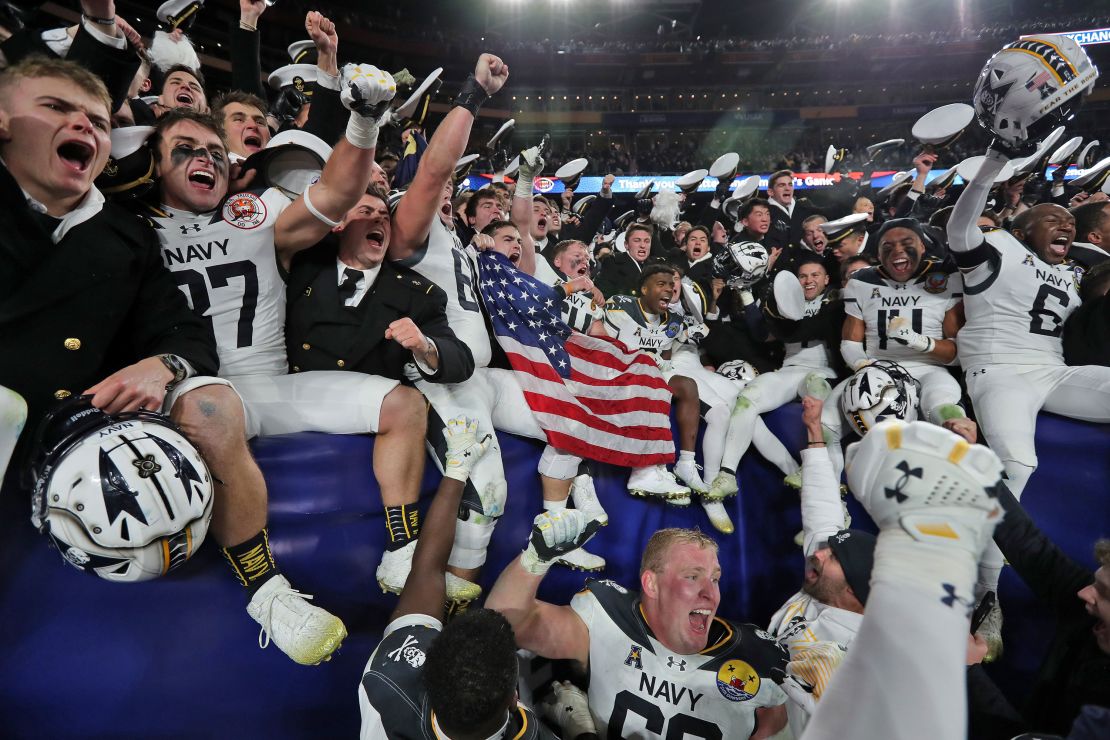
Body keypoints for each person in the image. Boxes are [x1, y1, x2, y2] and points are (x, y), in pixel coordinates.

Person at [0, 57, 352, 666]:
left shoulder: (128, 236)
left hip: (73, 428)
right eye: (57, 108)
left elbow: (183, 331)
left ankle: (265, 589)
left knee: (206, 406)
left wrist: (163, 363)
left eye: (96, 120)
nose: (81, 126)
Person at [947, 146, 1110, 656]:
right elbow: (959, 229)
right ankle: (984, 596)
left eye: (1069, 221)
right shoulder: (997, 249)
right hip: (999, 369)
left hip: (1053, 370)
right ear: (1022, 230)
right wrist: (994, 161)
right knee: (1017, 463)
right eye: (1052, 219)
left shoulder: (1072, 273)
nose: (1065, 226)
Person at [357, 417, 569, 739]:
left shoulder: (388, 679)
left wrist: (455, 471)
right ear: (515, 699)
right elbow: (427, 572)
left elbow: (426, 571)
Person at [486, 519, 790, 738]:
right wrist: (535, 559)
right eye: (692, 576)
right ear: (651, 584)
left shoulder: (757, 658)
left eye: (715, 578)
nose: (711, 594)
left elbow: (772, 723)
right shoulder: (608, 617)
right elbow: (501, 624)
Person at [800, 419, 1005, 740]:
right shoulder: (829, 575)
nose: (819, 556)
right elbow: (821, 512)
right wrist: (814, 435)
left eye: (831, 559)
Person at [822, 217, 975, 480]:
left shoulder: (945, 278)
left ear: (923, 247)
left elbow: (958, 353)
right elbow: (850, 342)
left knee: (941, 408)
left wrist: (918, 341)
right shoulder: (862, 281)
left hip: (928, 369)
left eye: (907, 243)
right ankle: (833, 491)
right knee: (825, 424)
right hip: (878, 368)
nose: (897, 251)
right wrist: (864, 366)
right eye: (888, 246)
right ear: (877, 251)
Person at [716, 255, 842, 498]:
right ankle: (727, 474)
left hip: (822, 371)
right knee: (746, 399)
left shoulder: (837, 302)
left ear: (827, 279)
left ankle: (819, 477)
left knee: (816, 391)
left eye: (815, 275)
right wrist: (745, 294)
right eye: (803, 276)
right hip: (790, 369)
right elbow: (763, 335)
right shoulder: (785, 303)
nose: (808, 280)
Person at [592, 264, 705, 501]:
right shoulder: (620, 307)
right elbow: (602, 344)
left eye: (671, 286)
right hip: (617, 370)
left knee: (687, 386)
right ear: (644, 288)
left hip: (649, 371)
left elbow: (664, 357)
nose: (668, 290)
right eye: (661, 284)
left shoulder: (673, 320)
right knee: (650, 380)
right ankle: (647, 468)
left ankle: (686, 462)